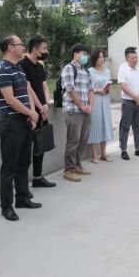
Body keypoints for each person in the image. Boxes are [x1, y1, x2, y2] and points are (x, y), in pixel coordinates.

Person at [0, 35, 42, 222]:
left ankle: (22, 198)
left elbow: (27, 91)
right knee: (9, 167)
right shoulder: (2, 69)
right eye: (20, 44)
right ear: (10, 47)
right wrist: (31, 113)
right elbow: (10, 100)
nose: (23, 47)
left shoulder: (19, 68)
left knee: (23, 163)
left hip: (24, 121)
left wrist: (31, 114)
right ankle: (6, 207)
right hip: (11, 123)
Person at [18, 34, 57, 189]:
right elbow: (28, 89)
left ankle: (37, 177)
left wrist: (47, 104)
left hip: (42, 110)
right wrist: (40, 107)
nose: (46, 51)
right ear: (35, 49)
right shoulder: (22, 65)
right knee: (28, 147)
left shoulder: (40, 66)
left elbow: (44, 86)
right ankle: (23, 185)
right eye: (44, 48)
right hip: (31, 112)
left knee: (41, 145)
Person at [61, 44, 94, 182]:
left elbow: (91, 89)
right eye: (83, 54)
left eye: (86, 54)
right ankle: (68, 170)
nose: (86, 57)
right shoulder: (69, 68)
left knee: (82, 140)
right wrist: (81, 106)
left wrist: (90, 106)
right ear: (75, 55)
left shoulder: (86, 71)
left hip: (86, 110)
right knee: (73, 141)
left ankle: (77, 166)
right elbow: (70, 89)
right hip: (73, 110)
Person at [118, 47, 139, 161]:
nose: (135, 59)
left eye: (136, 57)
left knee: (137, 126)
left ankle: (138, 149)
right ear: (127, 59)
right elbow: (123, 85)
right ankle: (123, 150)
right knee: (125, 126)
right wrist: (135, 97)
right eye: (132, 58)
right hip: (128, 102)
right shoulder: (123, 70)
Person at [88, 49, 114, 163]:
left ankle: (103, 153)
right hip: (95, 100)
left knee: (105, 125)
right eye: (99, 57)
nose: (102, 59)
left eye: (103, 57)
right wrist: (98, 91)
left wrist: (107, 89)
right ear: (94, 58)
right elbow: (89, 88)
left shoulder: (107, 71)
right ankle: (94, 155)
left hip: (105, 100)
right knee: (94, 126)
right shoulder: (89, 72)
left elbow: (109, 84)